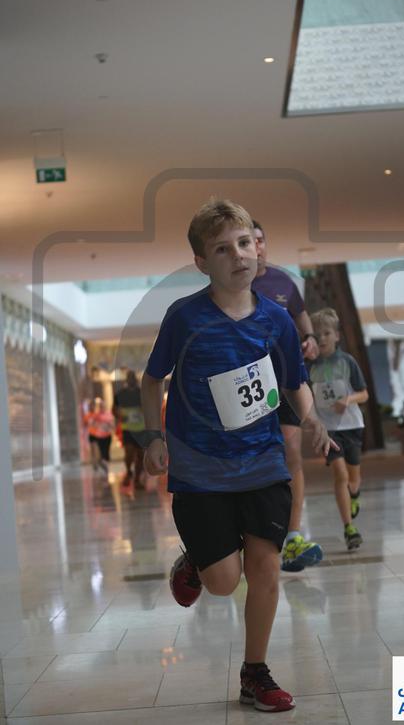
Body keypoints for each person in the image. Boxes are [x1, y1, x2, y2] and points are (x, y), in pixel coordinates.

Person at [141, 199, 336, 713]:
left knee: (266, 567)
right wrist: (154, 437)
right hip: (200, 468)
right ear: (202, 263)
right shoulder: (185, 317)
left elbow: (295, 382)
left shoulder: (277, 320)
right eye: (223, 249)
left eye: (245, 243)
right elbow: (152, 380)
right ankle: (197, 561)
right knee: (224, 583)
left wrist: (313, 420)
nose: (239, 255)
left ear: (258, 248)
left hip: (264, 461)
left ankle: (256, 673)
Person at [252, 220, 323, 573]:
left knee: (291, 454)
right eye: (248, 241)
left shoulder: (283, 281)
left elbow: (301, 315)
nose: (255, 247)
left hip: (285, 382)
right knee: (257, 458)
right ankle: (251, 535)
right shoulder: (232, 285)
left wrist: (310, 338)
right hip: (249, 386)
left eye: (259, 240)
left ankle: (293, 536)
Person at [310, 308, 369, 550]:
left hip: (352, 426)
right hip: (329, 431)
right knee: (340, 475)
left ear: (336, 335)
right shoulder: (308, 366)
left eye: (326, 333)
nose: (322, 338)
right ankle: (349, 529)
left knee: (353, 479)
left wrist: (347, 400)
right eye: (317, 334)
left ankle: (354, 494)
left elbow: (364, 394)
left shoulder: (347, 362)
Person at [113, 370, 146, 488]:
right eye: (129, 377)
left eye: (133, 377)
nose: (131, 380)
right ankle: (128, 472)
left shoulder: (141, 393)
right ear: (127, 380)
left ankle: (137, 479)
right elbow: (114, 409)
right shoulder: (121, 394)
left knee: (141, 454)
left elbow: (149, 406)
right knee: (129, 452)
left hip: (141, 428)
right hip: (128, 428)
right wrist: (120, 415)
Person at [83, 397, 114, 476]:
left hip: (107, 435)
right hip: (97, 435)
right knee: (98, 450)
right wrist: (97, 425)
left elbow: (112, 424)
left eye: (103, 406)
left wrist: (109, 426)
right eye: (101, 406)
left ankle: (103, 462)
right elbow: (89, 424)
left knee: (105, 451)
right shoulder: (95, 415)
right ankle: (98, 463)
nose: (102, 407)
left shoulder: (108, 414)